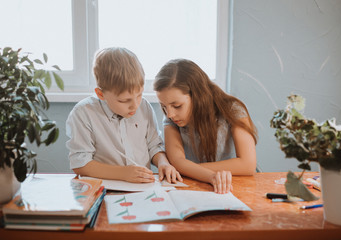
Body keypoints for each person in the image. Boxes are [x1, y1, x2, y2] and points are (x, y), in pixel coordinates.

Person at [66, 47, 182, 183]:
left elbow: (154, 146)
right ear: (101, 94)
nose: (135, 105)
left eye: (139, 95)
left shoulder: (144, 106)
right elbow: (80, 164)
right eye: (124, 100)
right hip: (104, 188)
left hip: (142, 188)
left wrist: (163, 163)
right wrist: (123, 173)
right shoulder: (83, 113)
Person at [154, 59, 257, 193]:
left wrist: (190, 169)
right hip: (199, 186)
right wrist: (205, 174)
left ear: (197, 95)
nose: (170, 114)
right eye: (164, 107)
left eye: (177, 106)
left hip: (236, 186)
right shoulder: (171, 119)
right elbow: (177, 162)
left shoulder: (232, 109)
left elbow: (248, 164)